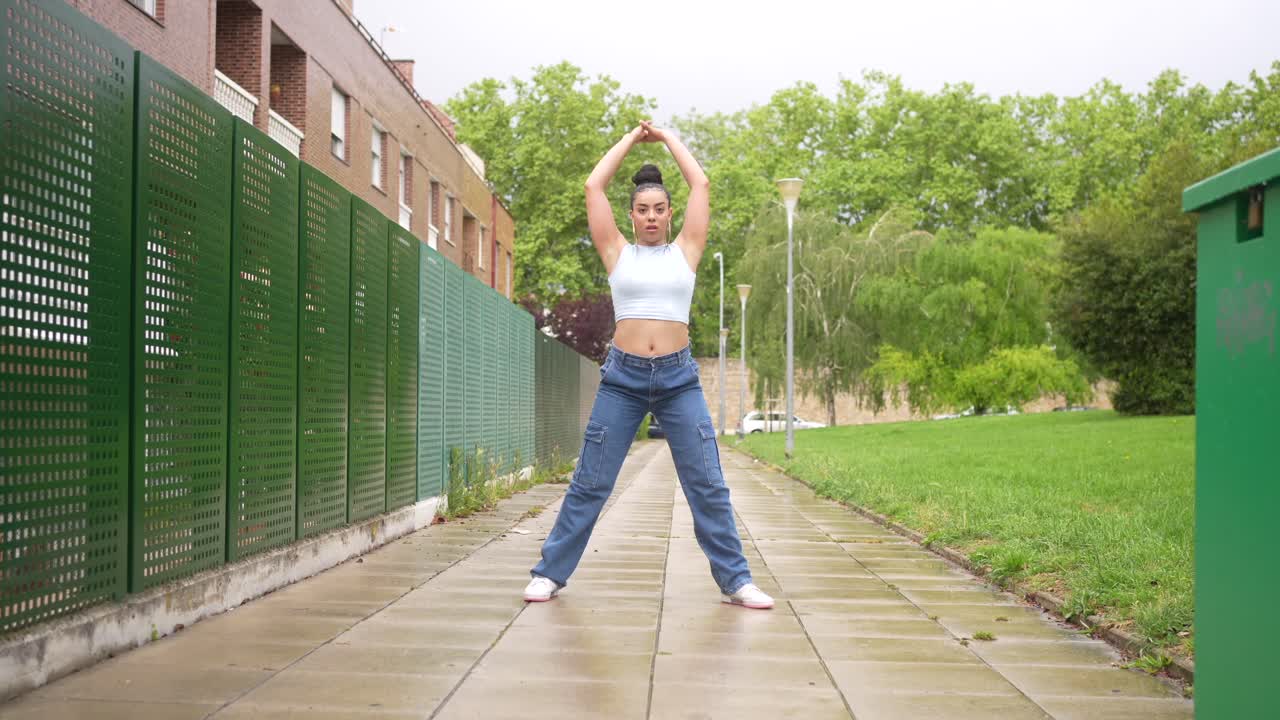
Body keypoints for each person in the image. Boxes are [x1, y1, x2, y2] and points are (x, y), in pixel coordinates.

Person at [522, 121, 774, 610]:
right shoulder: (618, 253)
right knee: (591, 481)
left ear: (670, 213)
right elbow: (593, 185)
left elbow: (701, 183)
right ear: (632, 215)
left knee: (707, 482)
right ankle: (549, 573)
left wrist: (668, 138)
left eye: (660, 209)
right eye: (643, 210)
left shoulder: (688, 251)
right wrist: (631, 140)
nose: (652, 216)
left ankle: (736, 581)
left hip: (679, 381)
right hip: (623, 382)